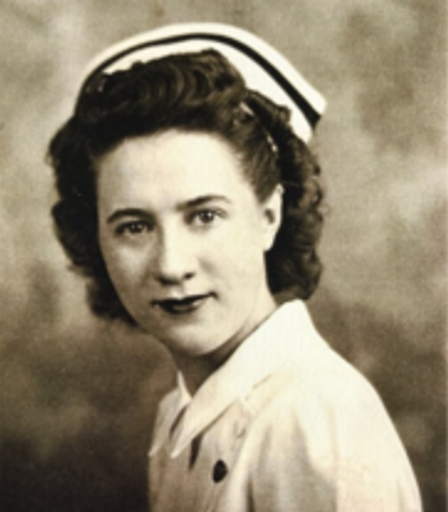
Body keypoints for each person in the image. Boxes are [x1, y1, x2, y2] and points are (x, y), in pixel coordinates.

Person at [47, 23, 422, 512]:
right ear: (97, 238)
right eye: (134, 227)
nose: (172, 265)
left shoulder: (318, 424)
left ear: (268, 217)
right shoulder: (181, 412)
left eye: (204, 216)